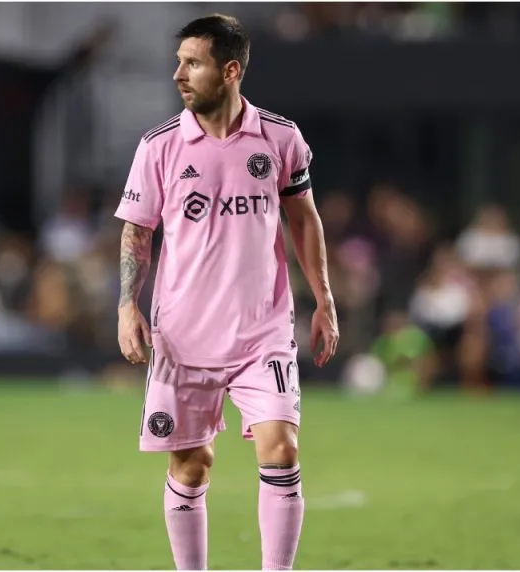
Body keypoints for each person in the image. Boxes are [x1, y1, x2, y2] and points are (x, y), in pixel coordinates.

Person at [114, 14, 339, 571]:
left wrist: (325, 299)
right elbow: (136, 231)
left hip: (263, 333)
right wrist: (126, 306)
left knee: (281, 449)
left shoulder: (281, 138)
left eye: (192, 63)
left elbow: (304, 220)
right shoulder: (160, 146)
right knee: (191, 468)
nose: (178, 75)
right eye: (179, 61)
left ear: (230, 70)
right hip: (183, 339)